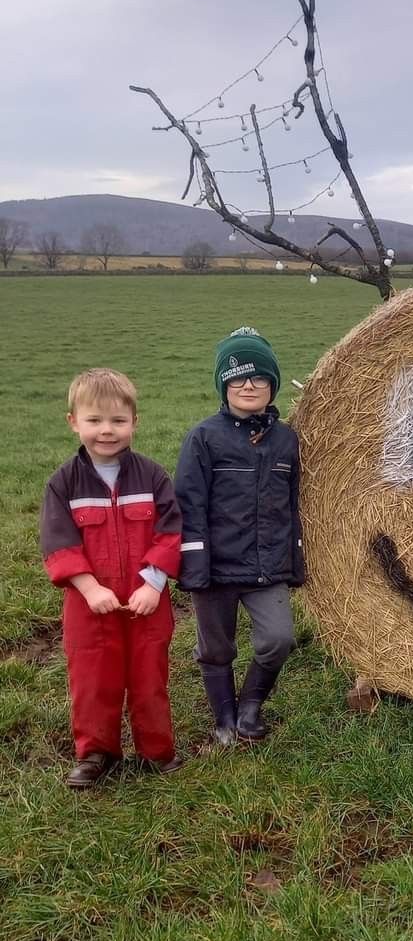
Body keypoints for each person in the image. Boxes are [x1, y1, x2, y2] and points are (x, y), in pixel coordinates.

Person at [40, 368, 183, 788]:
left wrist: (153, 584)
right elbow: (57, 541)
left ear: (134, 423)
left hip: (146, 603)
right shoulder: (62, 483)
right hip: (89, 606)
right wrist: (88, 587)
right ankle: (96, 753)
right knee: (92, 679)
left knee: (149, 677)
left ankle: (157, 750)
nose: (107, 431)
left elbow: (171, 531)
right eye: (95, 420)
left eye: (118, 421)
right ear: (73, 422)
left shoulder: (153, 477)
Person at [174, 326, 305, 745]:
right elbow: (188, 505)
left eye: (259, 377)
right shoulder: (204, 437)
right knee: (216, 648)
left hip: (268, 565)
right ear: (223, 384)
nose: (249, 385)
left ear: (272, 384)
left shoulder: (286, 440)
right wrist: (194, 565)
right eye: (238, 376)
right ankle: (224, 719)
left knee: (279, 639)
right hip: (214, 566)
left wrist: (294, 559)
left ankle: (250, 706)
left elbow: (295, 503)